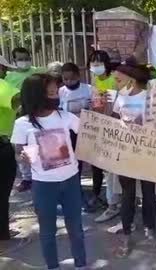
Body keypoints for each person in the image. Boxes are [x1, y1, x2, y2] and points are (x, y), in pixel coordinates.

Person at [10, 74, 87, 270]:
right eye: (51, 93)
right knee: (47, 231)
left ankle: (81, 265)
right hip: (43, 185)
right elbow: (18, 151)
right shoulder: (22, 124)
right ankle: (52, 266)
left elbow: (91, 131)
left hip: (70, 181)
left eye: (56, 92)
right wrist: (23, 157)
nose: (55, 96)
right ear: (36, 96)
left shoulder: (65, 116)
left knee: (76, 229)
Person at [110, 62, 156, 257]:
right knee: (127, 193)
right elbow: (114, 121)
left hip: (147, 151)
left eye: (118, 79)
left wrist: (144, 123)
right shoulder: (119, 98)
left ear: (131, 80)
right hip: (125, 152)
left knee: (148, 192)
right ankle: (127, 230)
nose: (115, 83)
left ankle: (150, 228)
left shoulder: (150, 97)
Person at [7, 48, 42, 192]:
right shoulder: (9, 77)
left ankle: (38, 175)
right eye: (20, 59)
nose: (24, 62)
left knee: (38, 145)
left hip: (36, 115)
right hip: (18, 117)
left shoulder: (38, 72)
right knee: (20, 147)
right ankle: (26, 178)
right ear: (14, 61)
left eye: (26, 58)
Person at [87, 50, 115, 213]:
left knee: (111, 166)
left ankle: (113, 200)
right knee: (96, 163)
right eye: (93, 62)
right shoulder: (93, 80)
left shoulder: (114, 80)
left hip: (112, 125)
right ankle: (97, 193)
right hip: (97, 126)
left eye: (99, 62)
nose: (96, 66)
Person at [59, 63, 92, 181]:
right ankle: (75, 182)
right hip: (69, 131)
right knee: (72, 158)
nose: (69, 82)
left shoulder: (88, 89)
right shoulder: (60, 92)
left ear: (78, 76)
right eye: (65, 79)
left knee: (87, 157)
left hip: (87, 128)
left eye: (72, 78)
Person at [0, 56, 20, 244]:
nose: (6, 73)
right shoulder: (2, 86)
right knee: (2, 191)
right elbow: (17, 99)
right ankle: (3, 236)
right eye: (3, 69)